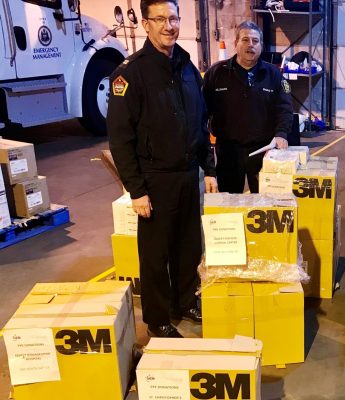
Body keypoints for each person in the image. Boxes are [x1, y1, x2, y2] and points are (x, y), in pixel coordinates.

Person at [107, 0, 218, 338]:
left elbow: (200, 121)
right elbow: (120, 138)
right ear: (145, 24)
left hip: (187, 174)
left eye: (173, 18)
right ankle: (156, 318)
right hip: (154, 179)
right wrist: (136, 190)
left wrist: (208, 169)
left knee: (188, 246)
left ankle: (184, 302)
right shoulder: (130, 73)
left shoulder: (186, 66)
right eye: (160, 19)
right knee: (155, 254)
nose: (169, 26)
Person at [203, 21, 293, 193]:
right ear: (235, 43)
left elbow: (285, 108)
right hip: (228, 151)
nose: (250, 45)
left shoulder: (273, 74)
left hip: (263, 150)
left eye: (255, 41)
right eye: (245, 40)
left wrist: (281, 133)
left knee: (265, 203)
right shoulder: (216, 74)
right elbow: (201, 113)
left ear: (261, 46)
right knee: (228, 205)